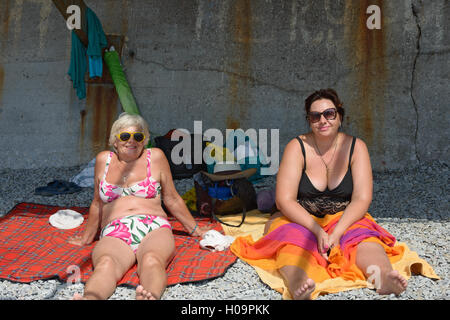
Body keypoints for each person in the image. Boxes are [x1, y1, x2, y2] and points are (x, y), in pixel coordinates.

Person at [231, 88, 408, 299]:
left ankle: (384, 277)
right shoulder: (296, 147)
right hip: (300, 218)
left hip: (344, 217)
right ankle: (299, 285)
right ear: (309, 120)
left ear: (340, 116)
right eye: (315, 116)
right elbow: (284, 199)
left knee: (364, 239)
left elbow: (362, 198)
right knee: (291, 242)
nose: (322, 120)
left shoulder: (356, 147)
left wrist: (337, 232)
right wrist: (317, 231)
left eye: (329, 114)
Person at [68, 112, 208, 300]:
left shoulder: (155, 157)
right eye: (125, 136)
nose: (131, 141)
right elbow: (97, 203)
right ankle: (90, 298)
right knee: (106, 263)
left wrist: (196, 230)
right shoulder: (104, 160)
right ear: (114, 141)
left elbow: (172, 198)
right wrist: (87, 237)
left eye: (138, 136)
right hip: (115, 228)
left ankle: (149, 297)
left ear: (145, 140)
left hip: (154, 226)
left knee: (152, 260)